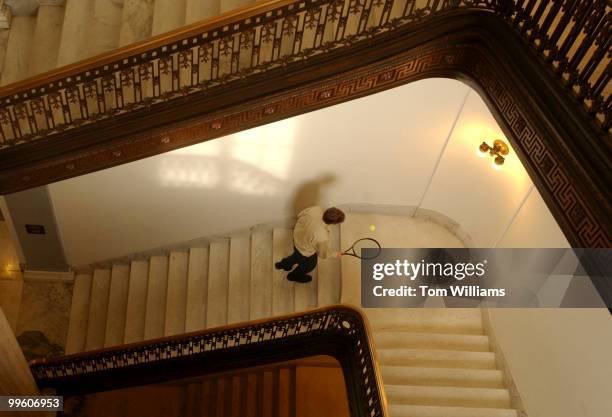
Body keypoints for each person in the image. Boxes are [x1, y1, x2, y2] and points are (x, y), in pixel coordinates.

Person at [275, 206, 345, 283]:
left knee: (296, 255)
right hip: (305, 249)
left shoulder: (315, 209)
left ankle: (283, 264)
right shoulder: (321, 236)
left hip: (297, 237)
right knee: (309, 265)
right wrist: (335, 254)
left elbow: (300, 215)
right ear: (333, 223)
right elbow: (323, 254)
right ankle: (294, 276)